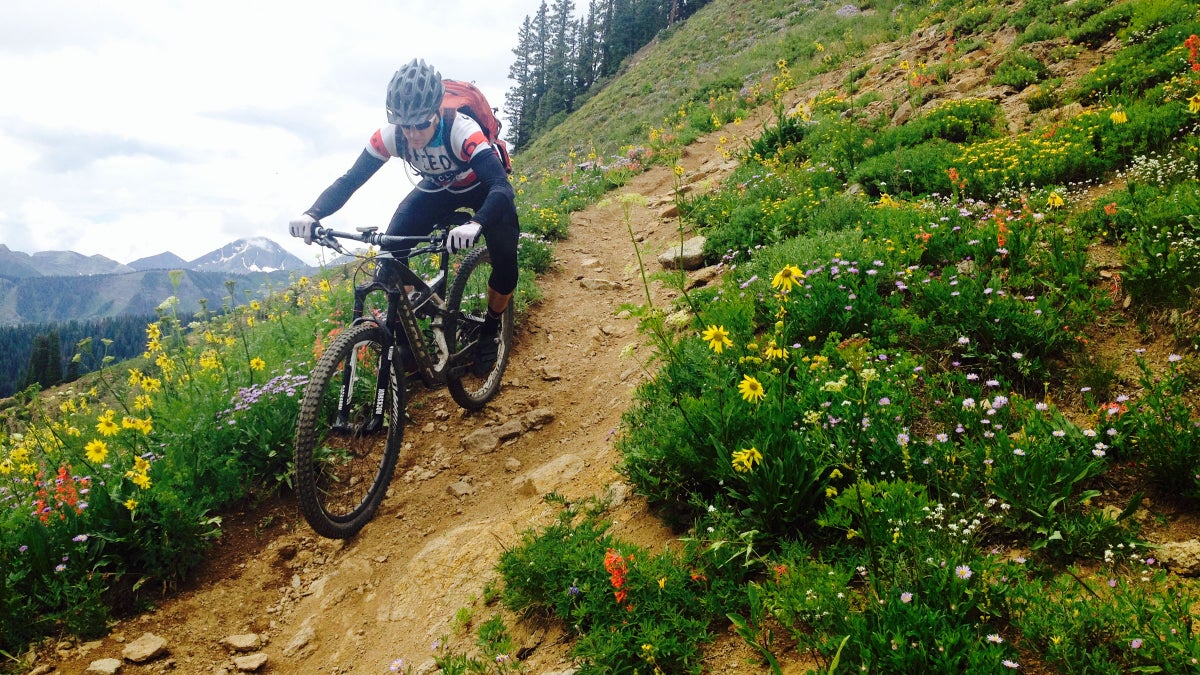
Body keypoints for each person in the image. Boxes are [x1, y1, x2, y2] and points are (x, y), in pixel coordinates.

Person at [289, 58, 519, 375]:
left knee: (505, 259)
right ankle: (411, 334)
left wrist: (476, 223)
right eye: (404, 125)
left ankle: (492, 329)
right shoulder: (392, 136)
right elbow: (349, 181)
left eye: (420, 124)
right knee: (391, 253)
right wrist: (312, 213)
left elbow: (500, 187)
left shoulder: (462, 130)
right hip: (438, 189)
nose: (412, 134)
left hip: (483, 189)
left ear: (437, 111)